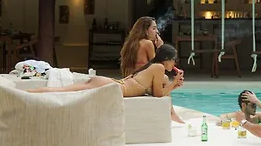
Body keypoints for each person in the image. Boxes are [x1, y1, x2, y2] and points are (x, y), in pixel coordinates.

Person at [27, 44, 185, 123]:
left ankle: (29, 92)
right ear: (167, 59)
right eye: (174, 60)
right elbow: (158, 94)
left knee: (63, 90)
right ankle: (28, 93)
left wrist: (172, 84)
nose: (174, 64)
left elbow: (158, 91)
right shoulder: (158, 68)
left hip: (110, 83)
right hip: (112, 86)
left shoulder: (154, 69)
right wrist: (174, 83)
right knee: (62, 91)